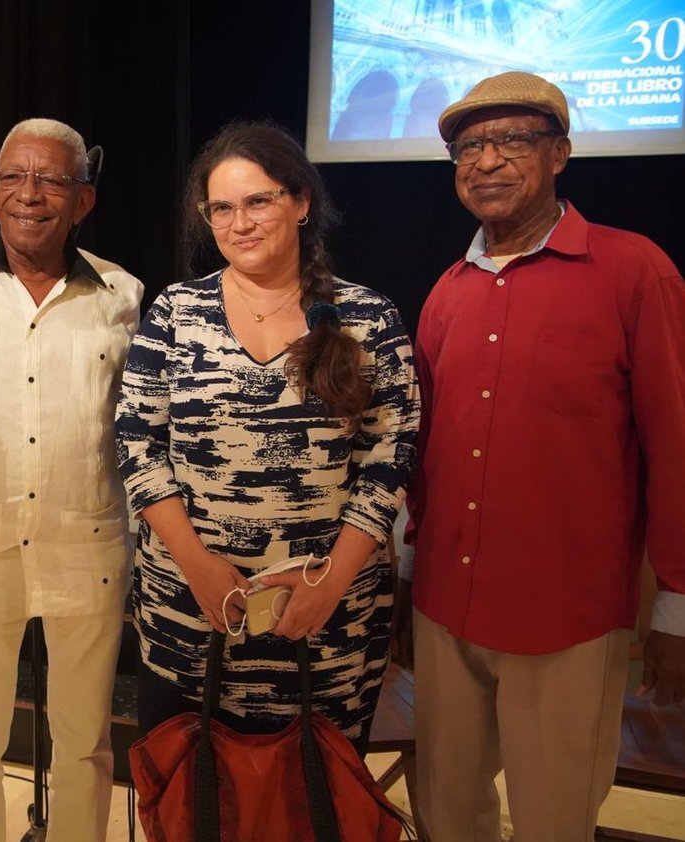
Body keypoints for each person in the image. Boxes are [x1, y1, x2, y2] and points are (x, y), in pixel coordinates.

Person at [396, 70, 685, 841]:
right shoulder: (446, 291)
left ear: (559, 153)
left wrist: (676, 608)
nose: (484, 160)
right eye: (466, 147)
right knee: (445, 813)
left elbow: (675, 446)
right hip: (444, 605)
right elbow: (422, 452)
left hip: (567, 616)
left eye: (510, 140)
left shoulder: (633, 271)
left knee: (553, 821)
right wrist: (403, 571)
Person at [114, 122, 418, 751]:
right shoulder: (175, 312)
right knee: (193, 805)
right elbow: (137, 443)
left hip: (325, 624)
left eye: (259, 201)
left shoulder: (368, 319)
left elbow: (389, 462)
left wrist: (329, 584)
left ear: (301, 202)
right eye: (221, 208)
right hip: (191, 617)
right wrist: (196, 567)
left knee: (311, 807)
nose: (240, 222)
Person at [0, 118, 144, 842]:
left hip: (88, 548)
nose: (30, 194)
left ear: (83, 200)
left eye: (51, 179)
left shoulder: (122, 294)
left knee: (84, 744)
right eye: (14, 176)